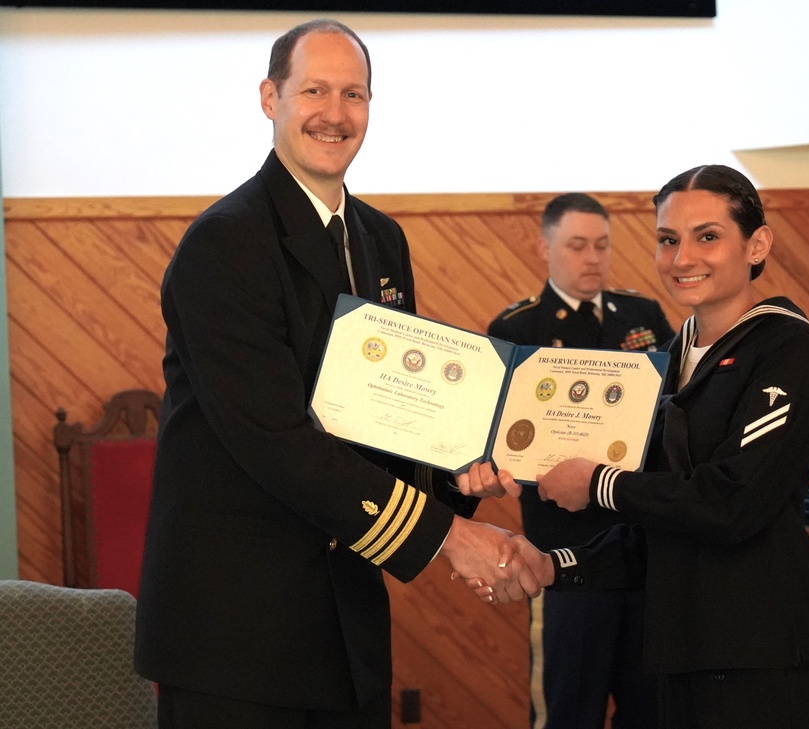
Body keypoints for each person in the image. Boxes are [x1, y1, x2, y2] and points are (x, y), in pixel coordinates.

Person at [134, 20, 536, 729]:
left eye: (354, 94)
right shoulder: (225, 242)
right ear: (270, 98)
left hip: (344, 626)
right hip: (236, 637)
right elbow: (276, 440)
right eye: (314, 90)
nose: (335, 113)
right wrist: (449, 537)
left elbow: (386, 420)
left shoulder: (381, 239)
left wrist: (455, 473)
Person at [468, 165, 809, 729]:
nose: (682, 257)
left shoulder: (791, 348)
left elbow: (731, 503)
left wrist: (597, 482)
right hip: (678, 653)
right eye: (668, 240)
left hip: (762, 653)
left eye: (707, 236)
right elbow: (658, 524)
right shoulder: (669, 359)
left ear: (757, 244)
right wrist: (555, 565)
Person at [486, 193, 672, 729]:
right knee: (568, 712)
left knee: (654, 712)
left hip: (643, 550)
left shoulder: (642, 315)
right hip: (564, 554)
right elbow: (501, 440)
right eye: (577, 245)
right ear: (545, 248)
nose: (593, 258)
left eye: (602, 245)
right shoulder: (518, 328)